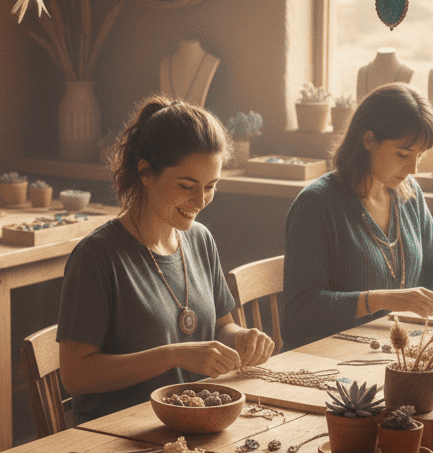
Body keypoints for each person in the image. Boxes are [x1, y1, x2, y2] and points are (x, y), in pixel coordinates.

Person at [58, 97, 275, 426]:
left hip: (192, 426)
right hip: (117, 436)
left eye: (211, 187)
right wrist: (173, 354)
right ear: (146, 172)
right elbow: (76, 376)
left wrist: (242, 338)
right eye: (187, 186)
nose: (200, 201)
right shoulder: (98, 256)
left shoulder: (200, 239)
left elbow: (220, 326)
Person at [282, 83, 433, 349]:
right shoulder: (317, 204)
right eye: (403, 154)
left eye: (419, 156)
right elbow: (301, 310)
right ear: (368, 140)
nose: (412, 168)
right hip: (325, 358)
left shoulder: (408, 193)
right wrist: (383, 299)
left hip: (389, 353)